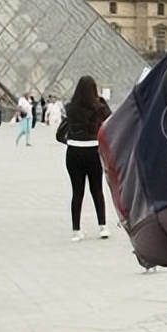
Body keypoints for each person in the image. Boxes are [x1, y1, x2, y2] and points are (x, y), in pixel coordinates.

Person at [60, 76, 111, 241]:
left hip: (74, 151)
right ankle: (103, 227)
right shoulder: (99, 106)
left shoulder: (70, 107)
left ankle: (76, 230)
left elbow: (62, 131)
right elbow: (111, 121)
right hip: (93, 151)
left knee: (77, 192)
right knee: (97, 190)